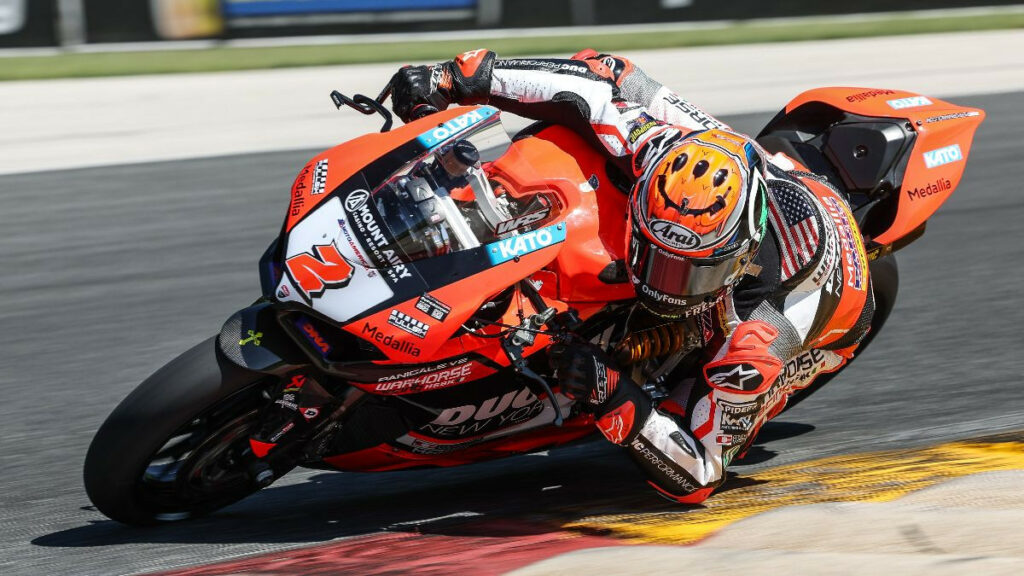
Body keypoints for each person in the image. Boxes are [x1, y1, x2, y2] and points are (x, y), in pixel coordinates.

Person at [388, 49, 874, 503]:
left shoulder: (765, 331)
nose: (663, 286)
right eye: (657, 259)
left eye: (687, 273)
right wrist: (456, 79)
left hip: (822, 321)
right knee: (605, 84)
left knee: (704, 395)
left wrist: (609, 391)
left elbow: (700, 473)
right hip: (758, 172)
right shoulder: (660, 148)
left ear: (739, 256)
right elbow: (595, 82)